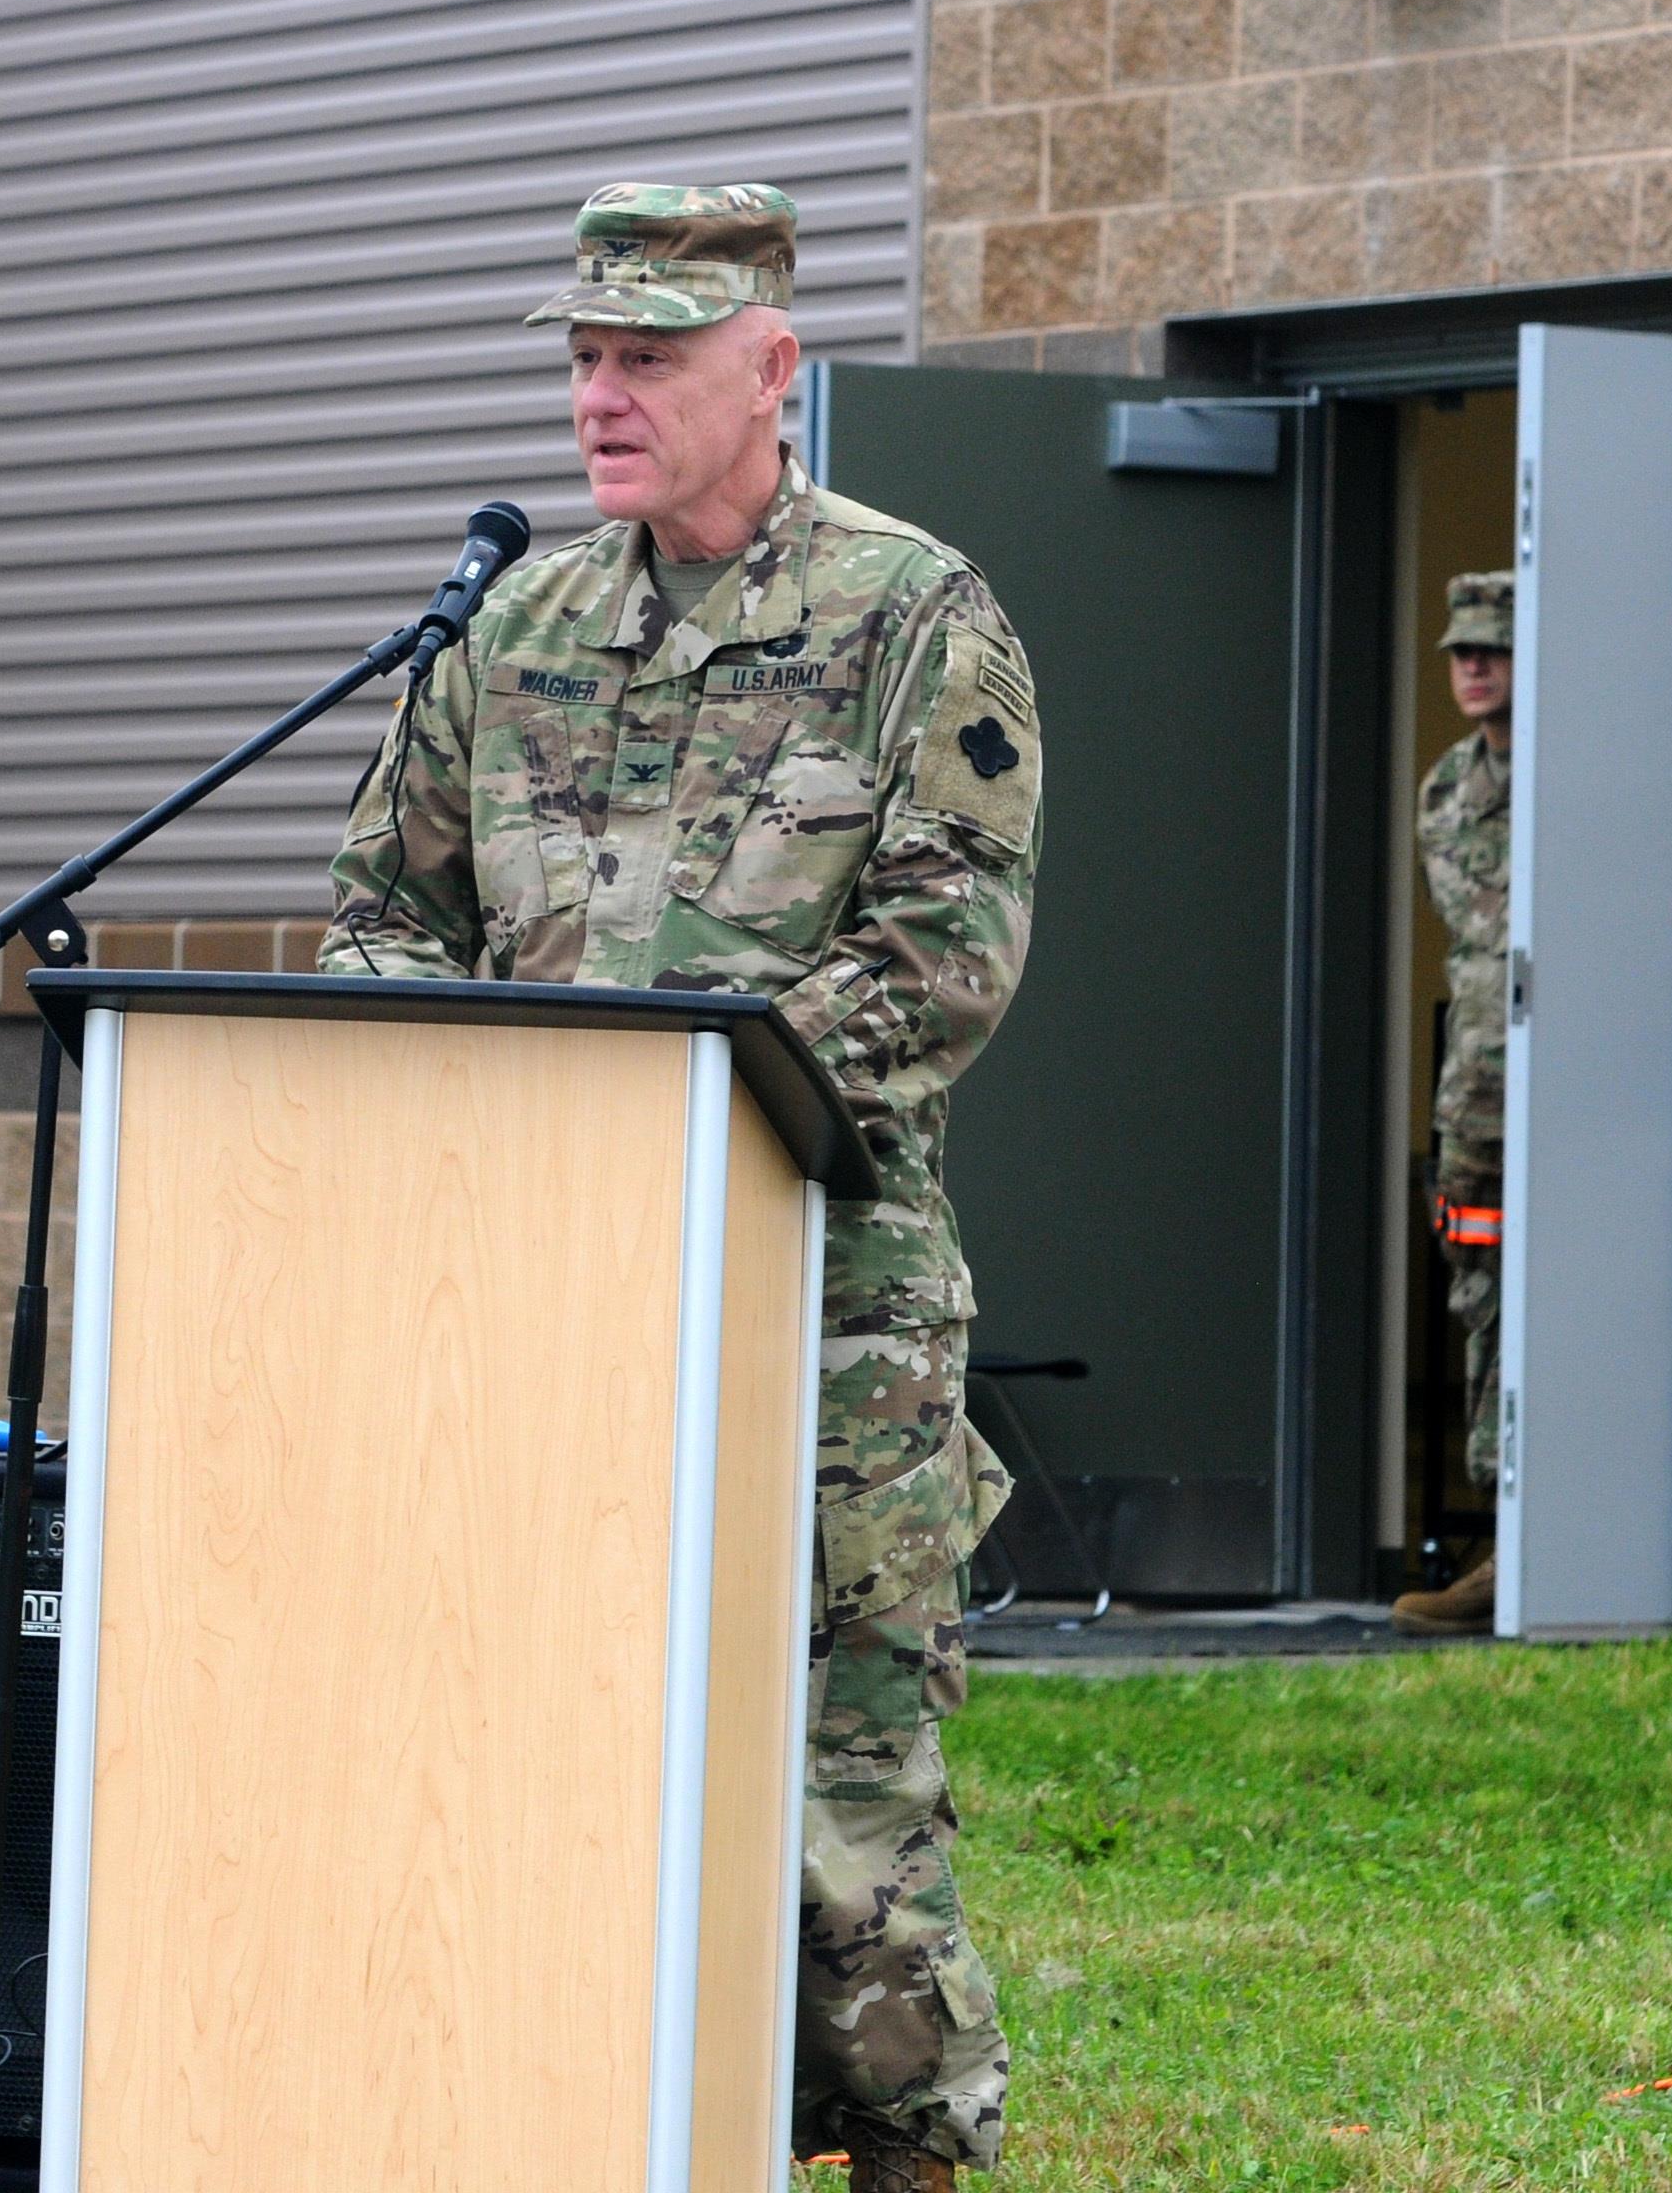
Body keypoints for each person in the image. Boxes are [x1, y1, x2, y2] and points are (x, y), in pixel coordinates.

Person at [325, 182, 1041, 2192]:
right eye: (579, 353)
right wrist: (466, 1125)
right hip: (542, 1298)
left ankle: (905, 2156)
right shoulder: (511, 621)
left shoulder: (914, 613)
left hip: (821, 1303)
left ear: (768, 368)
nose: (598, 392)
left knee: (843, 1797)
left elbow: (938, 948)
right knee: (546, 1752)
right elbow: (382, 907)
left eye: (643, 354)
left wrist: (682, 1135)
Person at [1393, 569, 1513, 1636]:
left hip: (1565, 1095)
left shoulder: (1572, 779)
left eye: (1492, 648)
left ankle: (1540, 1545)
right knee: (1482, 1289)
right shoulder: (1447, 788)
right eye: (1459, 652)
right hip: (1475, 1093)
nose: (1471, 666)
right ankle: (1497, 1532)